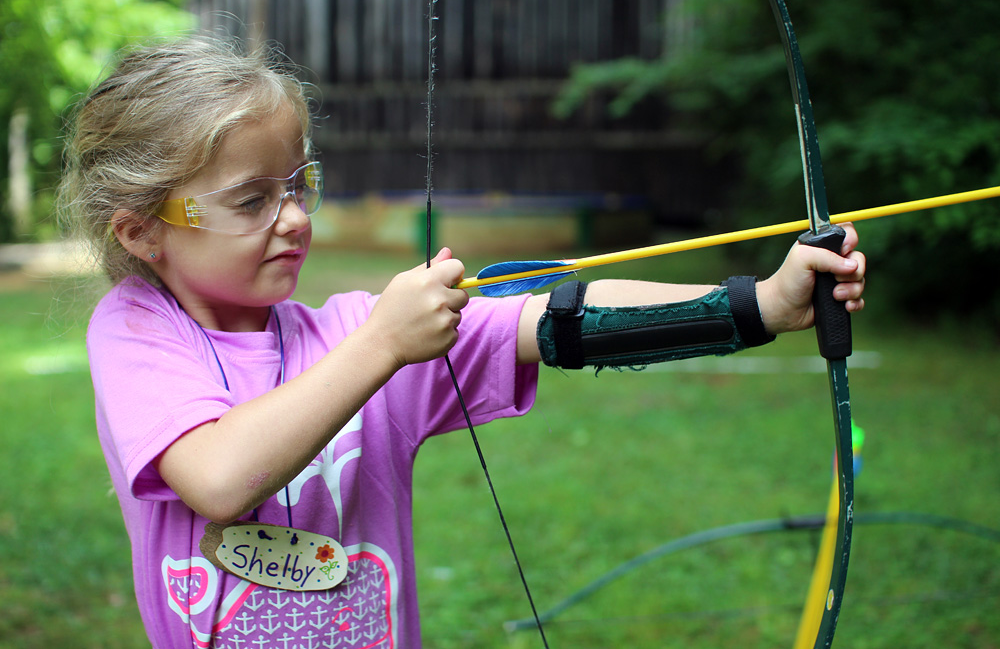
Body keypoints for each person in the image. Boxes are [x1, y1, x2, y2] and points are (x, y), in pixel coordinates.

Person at [59, 36, 866, 649]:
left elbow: (555, 316)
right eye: (251, 200)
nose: (296, 217)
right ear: (142, 231)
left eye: (298, 183)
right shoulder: (139, 332)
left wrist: (760, 303)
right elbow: (218, 476)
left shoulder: (354, 334)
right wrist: (384, 343)